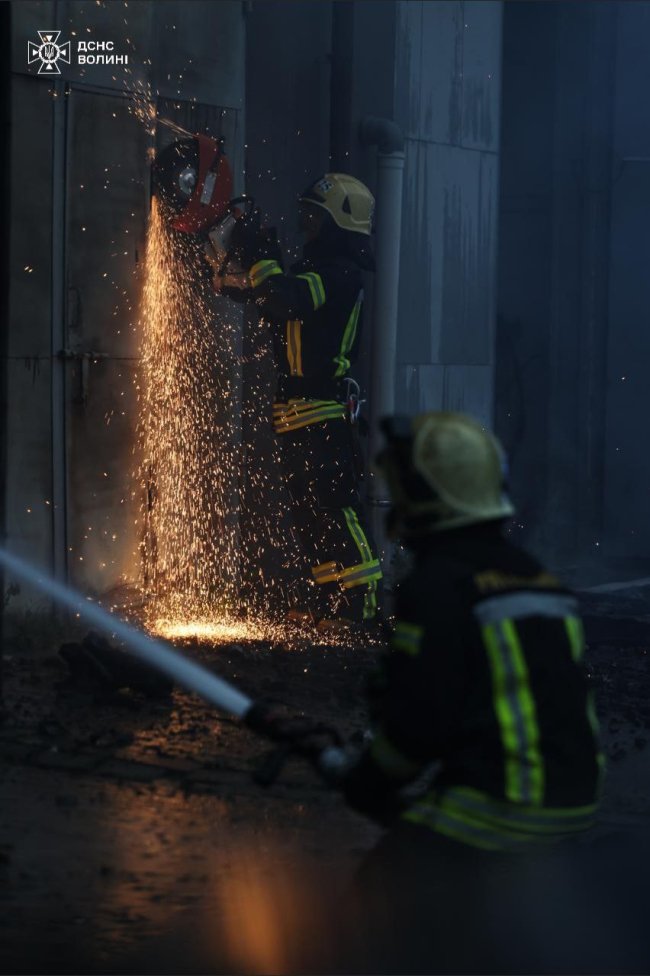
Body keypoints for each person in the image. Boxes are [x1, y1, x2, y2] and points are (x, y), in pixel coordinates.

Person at [333, 411, 606, 971]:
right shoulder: (536, 576)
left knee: (373, 904)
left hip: (500, 807)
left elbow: (420, 725)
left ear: (426, 496)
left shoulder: (439, 586)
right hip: (573, 801)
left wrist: (369, 777)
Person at [206, 174, 383, 630]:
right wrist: (230, 275)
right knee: (308, 514)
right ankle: (331, 604)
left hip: (322, 412)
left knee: (335, 508)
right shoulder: (314, 271)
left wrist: (263, 257)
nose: (305, 226)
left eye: (313, 218)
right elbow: (274, 294)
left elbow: (288, 300)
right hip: (294, 412)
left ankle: (361, 608)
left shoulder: (340, 274)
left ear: (338, 223)